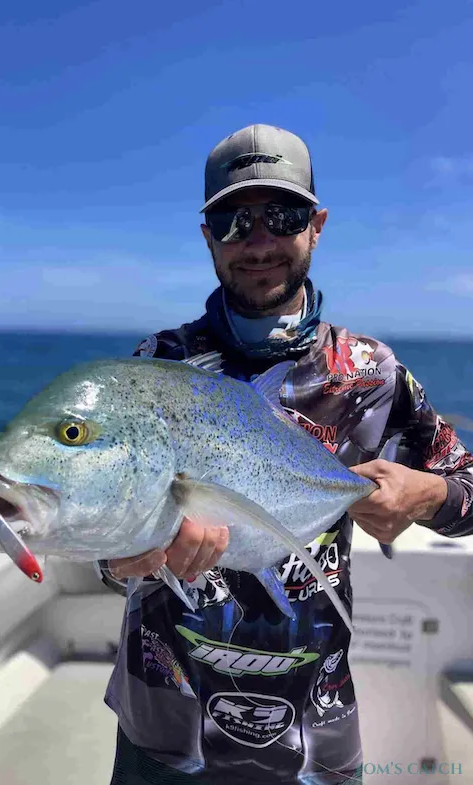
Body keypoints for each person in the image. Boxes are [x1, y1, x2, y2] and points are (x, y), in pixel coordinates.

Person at [97, 124, 473, 785]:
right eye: (234, 222)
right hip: (162, 730)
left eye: (284, 216)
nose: (260, 242)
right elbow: (107, 529)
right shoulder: (158, 368)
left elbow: (467, 489)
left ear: (317, 226)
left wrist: (428, 494)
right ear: (208, 236)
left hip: (314, 736)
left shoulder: (370, 374)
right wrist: (122, 556)